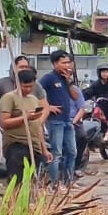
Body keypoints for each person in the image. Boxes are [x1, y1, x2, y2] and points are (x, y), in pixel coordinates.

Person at [0, 69, 50, 180]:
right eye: (25, 87)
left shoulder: (34, 99)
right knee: (18, 180)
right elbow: (4, 123)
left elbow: (37, 125)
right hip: (16, 145)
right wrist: (25, 118)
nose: (28, 89)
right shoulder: (9, 98)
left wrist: (44, 149)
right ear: (17, 83)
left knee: (33, 181)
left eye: (31, 86)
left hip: (35, 147)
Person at [37, 51, 80, 188]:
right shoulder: (49, 78)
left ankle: (68, 181)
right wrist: (48, 107)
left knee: (72, 152)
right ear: (55, 63)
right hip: (55, 121)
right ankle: (54, 183)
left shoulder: (65, 79)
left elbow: (75, 97)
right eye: (64, 63)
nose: (67, 65)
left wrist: (68, 81)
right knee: (56, 153)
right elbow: (35, 92)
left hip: (68, 120)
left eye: (68, 62)